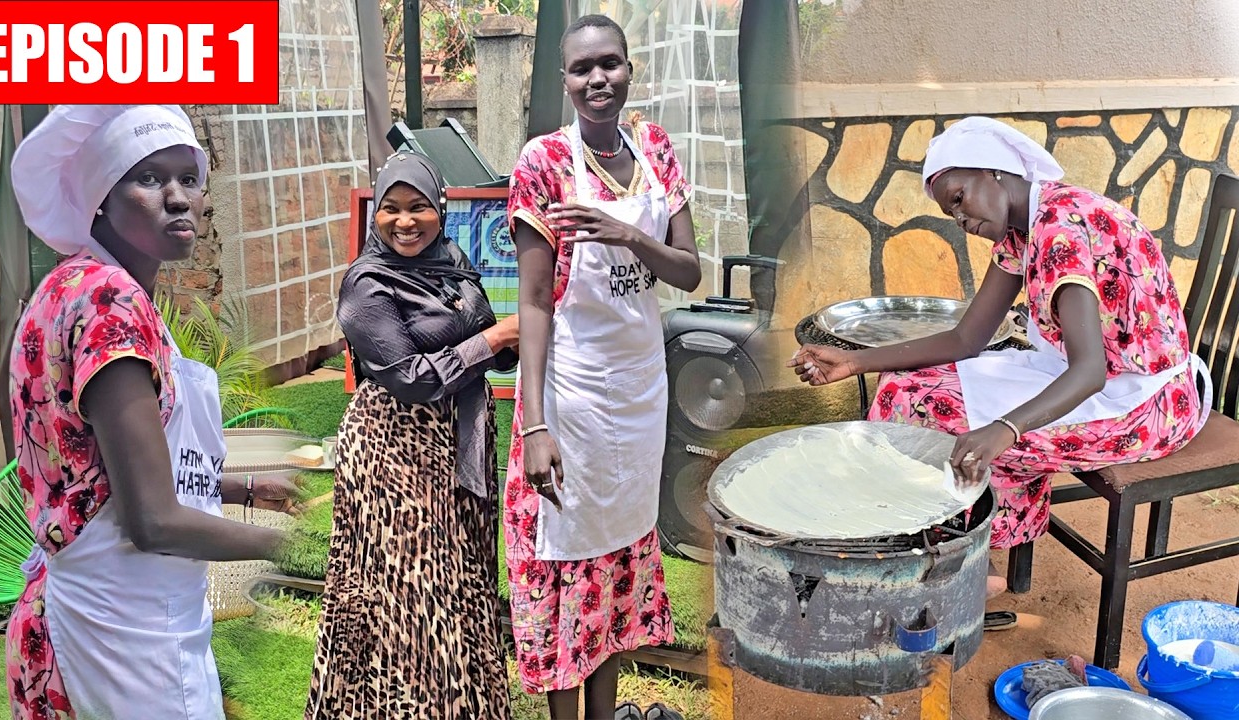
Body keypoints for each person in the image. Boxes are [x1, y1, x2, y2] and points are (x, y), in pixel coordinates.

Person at [790, 116, 1211, 597]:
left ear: (993, 170)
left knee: (953, 418)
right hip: (1084, 376)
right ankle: (967, 551)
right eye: (951, 213)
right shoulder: (1022, 230)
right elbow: (966, 338)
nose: (961, 220)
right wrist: (855, 363)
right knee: (904, 391)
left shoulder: (1061, 226)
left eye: (959, 199)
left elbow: (1090, 371)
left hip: (1146, 405)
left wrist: (1005, 427)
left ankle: (960, 559)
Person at [4, 105, 300, 720]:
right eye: (148, 179)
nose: (178, 198)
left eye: (188, 179)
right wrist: (292, 549)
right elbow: (152, 521)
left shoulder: (68, 286)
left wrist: (242, 487)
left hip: (84, 608)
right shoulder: (110, 301)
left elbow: (101, 471)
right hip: (123, 625)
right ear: (100, 201)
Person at [503, 13, 702, 720]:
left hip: (641, 390)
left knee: (617, 565)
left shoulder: (656, 148)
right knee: (565, 563)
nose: (598, 79)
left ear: (628, 69)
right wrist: (534, 426)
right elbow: (534, 305)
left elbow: (689, 271)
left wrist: (627, 234)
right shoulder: (544, 164)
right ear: (564, 80)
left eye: (610, 63)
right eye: (583, 68)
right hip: (573, 393)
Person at [306, 151, 519, 719]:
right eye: (391, 208)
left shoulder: (452, 261)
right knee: (410, 592)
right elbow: (410, 378)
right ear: (376, 213)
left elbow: (486, 341)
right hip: (393, 450)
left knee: (461, 579)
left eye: (419, 206)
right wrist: (495, 341)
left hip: (460, 442)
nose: (405, 221)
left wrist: (510, 340)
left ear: (440, 209)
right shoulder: (367, 284)